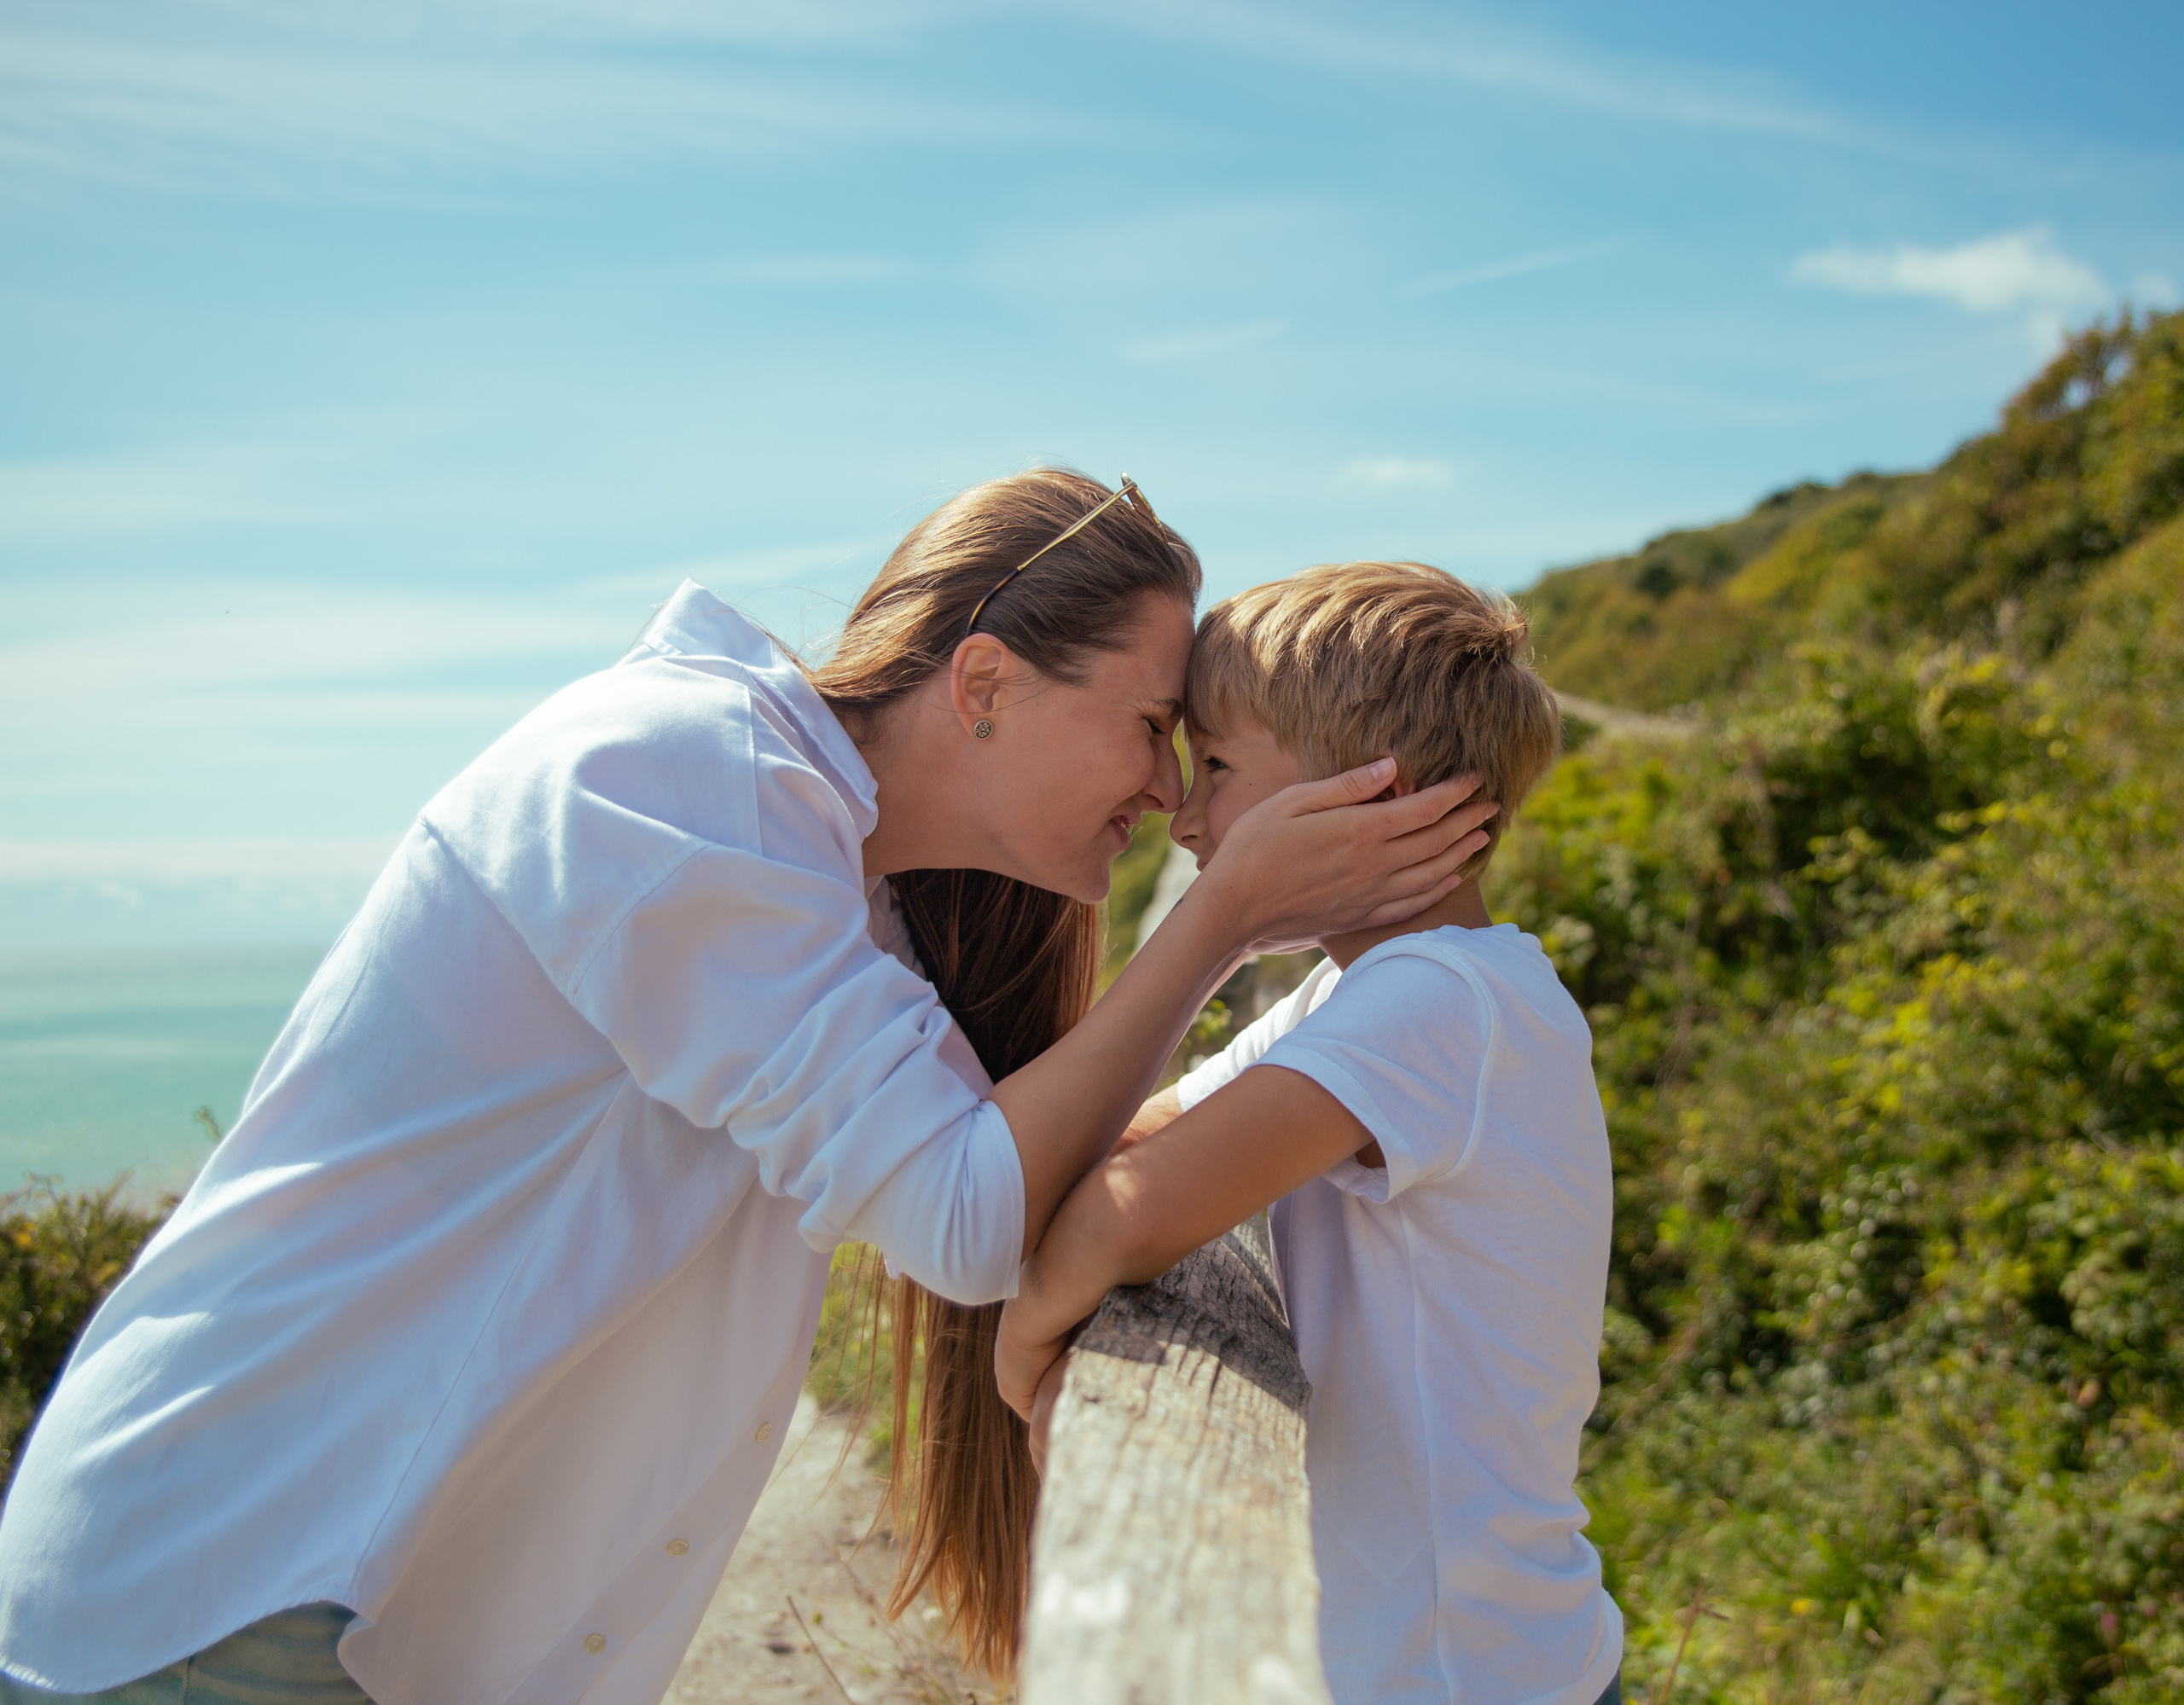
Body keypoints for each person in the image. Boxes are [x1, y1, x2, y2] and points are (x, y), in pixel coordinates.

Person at [0, 477, 1498, 1705]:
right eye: (1150, 728)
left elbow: (1001, 1170)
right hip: (237, 1572)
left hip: (356, 1614)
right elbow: (969, 1215)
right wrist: (1222, 914)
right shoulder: (673, 780)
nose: (1172, 799)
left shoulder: (839, 893)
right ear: (983, 680)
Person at [996, 561, 1623, 1705]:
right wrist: (1227, 929)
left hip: (1459, 1679)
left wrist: (1025, 1346)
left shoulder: (1442, 1003)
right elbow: (1116, 1143)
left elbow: (1117, 1215)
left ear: (1375, 798)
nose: (1187, 817)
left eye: (1221, 768)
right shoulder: (1362, 998)